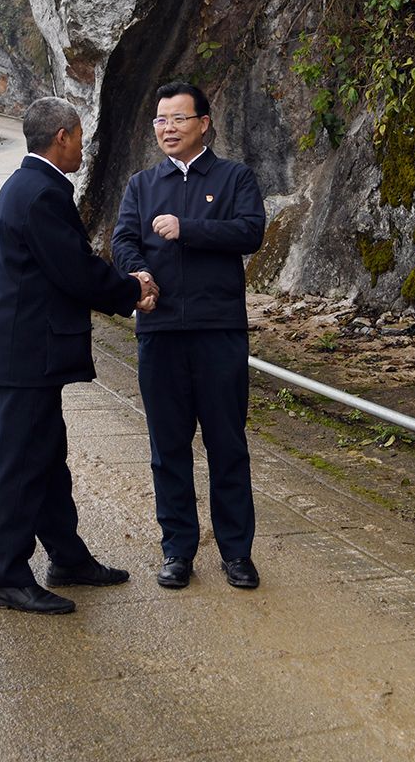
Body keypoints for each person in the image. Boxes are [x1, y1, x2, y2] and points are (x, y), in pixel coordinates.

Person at [0, 96, 158, 615]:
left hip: (30, 354)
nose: (83, 145)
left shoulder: (30, 187)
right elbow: (76, 271)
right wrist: (132, 289)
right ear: (62, 136)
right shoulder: (40, 194)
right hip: (25, 355)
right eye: (79, 135)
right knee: (19, 467)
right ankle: (7, 575)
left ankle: (68, 557)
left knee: (47, 460)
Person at [111, 81, 266, 591]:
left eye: (178, 119)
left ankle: (237, 554)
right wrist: (140, 275)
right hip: (159, 331)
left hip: (218, 330)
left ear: (204, 123)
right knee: (168, 447)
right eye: (160, 120)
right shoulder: (141, 184)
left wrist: (189, 227)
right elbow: (124, 241)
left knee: (227, 444)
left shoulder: (233, 177)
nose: (167, 129)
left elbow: (250, 232)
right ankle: (177, 550)